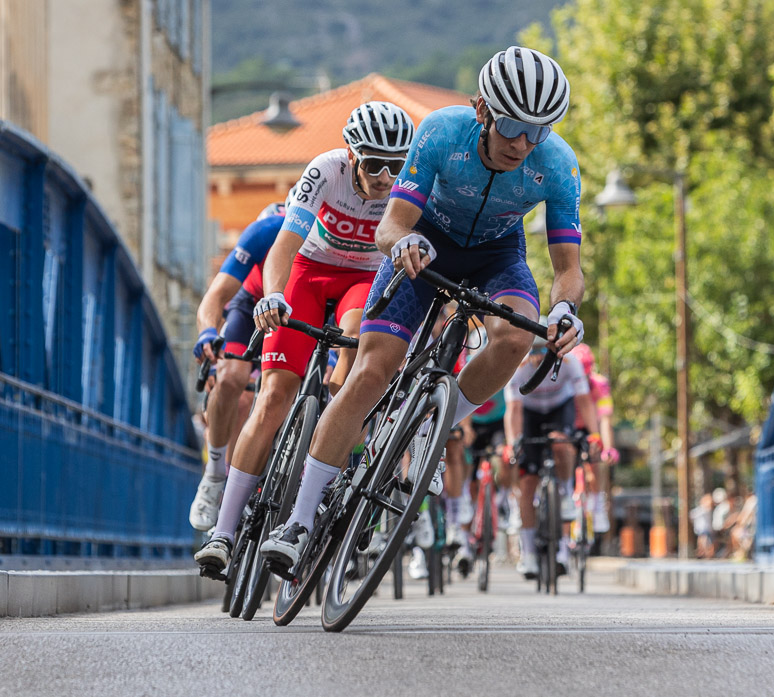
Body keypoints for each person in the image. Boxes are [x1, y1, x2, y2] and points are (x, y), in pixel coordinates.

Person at [258, 46, 585, 571]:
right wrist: (403, 244)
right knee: (369, 372)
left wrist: (565, 307)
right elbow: (390, 225)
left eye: (538, 131)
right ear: (483, 110)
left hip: (498, 255)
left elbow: (567, 267)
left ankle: (438, 425)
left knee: (516, 335)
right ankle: (298, 521)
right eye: (511, 126)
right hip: (423, 241)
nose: (522, 143)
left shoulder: (558, 165)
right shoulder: (440, 132)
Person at [194, 101, 415, 572]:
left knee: (352, 351)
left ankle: (327, 453)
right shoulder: (326, 171)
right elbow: (285, 246)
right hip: (309, 271)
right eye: (374, 163)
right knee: (273, 397)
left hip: (365, 278)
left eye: (395, 166)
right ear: (352, 156)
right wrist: (274, 296)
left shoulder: (407, 184)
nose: (384, 177)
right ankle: (224, 532)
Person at [187, 200, 286, 531]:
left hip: (300, 307)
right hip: (250, 306)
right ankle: (215, 473)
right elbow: (214, 299)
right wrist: (207, 333)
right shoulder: (264, 232)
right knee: (233, 382)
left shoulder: (322, 235)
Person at [504, 337, 600, 578]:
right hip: (530, 414)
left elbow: (584, 402)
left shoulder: (570, 363)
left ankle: (565, 492)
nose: (538, 356)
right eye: (533, 350)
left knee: (561, 444)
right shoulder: (519, 367)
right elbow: (513, 411)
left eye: (543, 350)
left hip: (560, 409)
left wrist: (595, 434)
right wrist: (512, 443)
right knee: (527, 484)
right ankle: (529, 554)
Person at [568, 343, 618, 533]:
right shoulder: (566, 379)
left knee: (596, 461)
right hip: (570, 425)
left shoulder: (600, 384)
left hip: (592, 427)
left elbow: (605, 419)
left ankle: (597, 504)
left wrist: (608, 448)